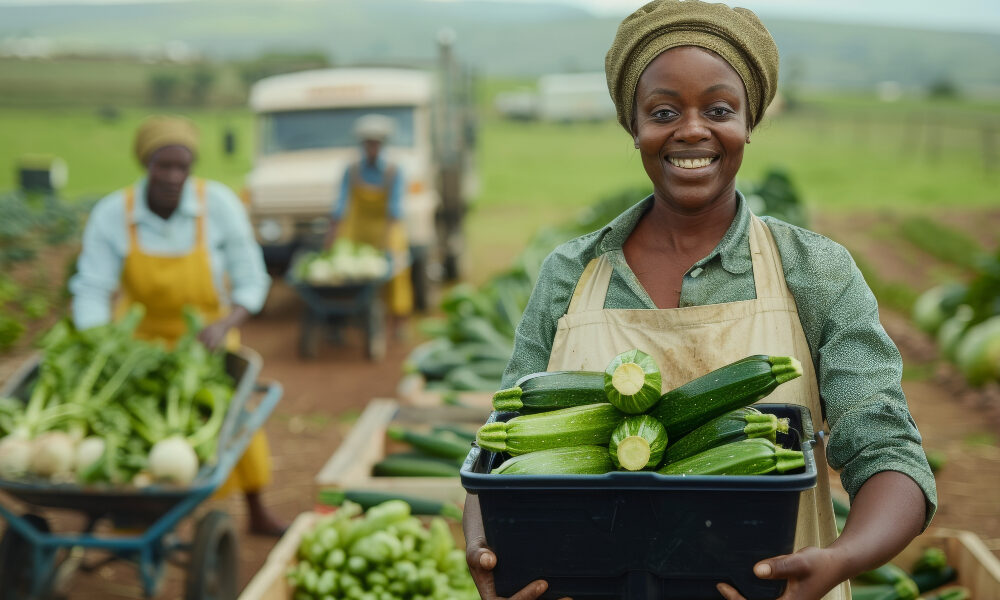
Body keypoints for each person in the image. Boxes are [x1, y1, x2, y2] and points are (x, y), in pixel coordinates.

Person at [463, 2, 937, 599]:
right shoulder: (571, 275)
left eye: (718, 109)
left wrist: (840, 560)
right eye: (664, 111)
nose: (692, 130)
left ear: (747, 123)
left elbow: (888, 448)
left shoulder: (815, 271)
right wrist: (484, 550)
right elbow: (499, 451)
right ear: (633, 126)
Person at [70, 115, 287, 536]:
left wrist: (227, 322)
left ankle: (257, 510)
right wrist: (99, 343)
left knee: (234, 419)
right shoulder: (115, 214)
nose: (172, 176)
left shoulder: (218, 205)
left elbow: (251, 279)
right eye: (162, 166)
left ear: (191, 168)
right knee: (122, 420)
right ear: (145, 166)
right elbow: (92, 288)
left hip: (207, 340)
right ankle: (120, 507)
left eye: (181, 167)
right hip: (137, 345)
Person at [324, 113, 413, 335]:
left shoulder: (394, 171)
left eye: (376, 143)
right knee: (344, 274)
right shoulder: (352, 170)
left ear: (382, 144)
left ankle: (399, 322)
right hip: (358, 229)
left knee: (397, 273)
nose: (372, 147)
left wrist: (387, 239)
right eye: (368, 143)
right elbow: (340, 205)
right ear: (363, 144)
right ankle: (343, 320)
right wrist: (332, 235)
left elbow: (395, 210)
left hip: (387, 227)